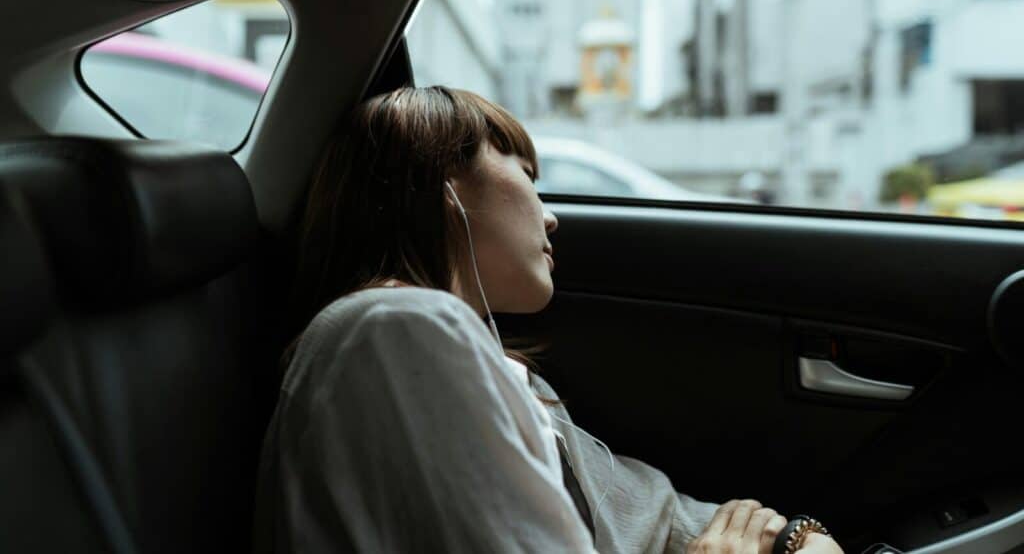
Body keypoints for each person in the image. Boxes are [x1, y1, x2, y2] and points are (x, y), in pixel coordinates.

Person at [253, 86, 844, 554]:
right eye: (530, 178)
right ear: (443, 182)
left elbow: (654, 515)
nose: (552, 217)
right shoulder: (391, 331)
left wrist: (794, 537)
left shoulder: (504, 371)